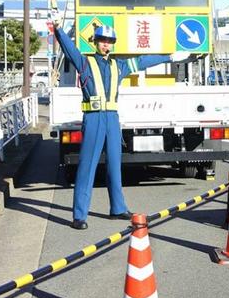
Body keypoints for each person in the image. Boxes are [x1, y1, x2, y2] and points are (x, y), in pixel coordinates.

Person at [53, 18, 188, 230]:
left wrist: (168, 58)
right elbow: (69, 48)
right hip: (94, 117)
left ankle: (117, 208)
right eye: (102, 40)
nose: (106, 44)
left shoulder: (119, 65)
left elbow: (143, 61)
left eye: (109, 41)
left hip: (112, 119)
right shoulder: (85, 62)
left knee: (115, 164)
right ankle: (79, 215)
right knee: (87, 166)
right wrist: (58, 28)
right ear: (95, 42)